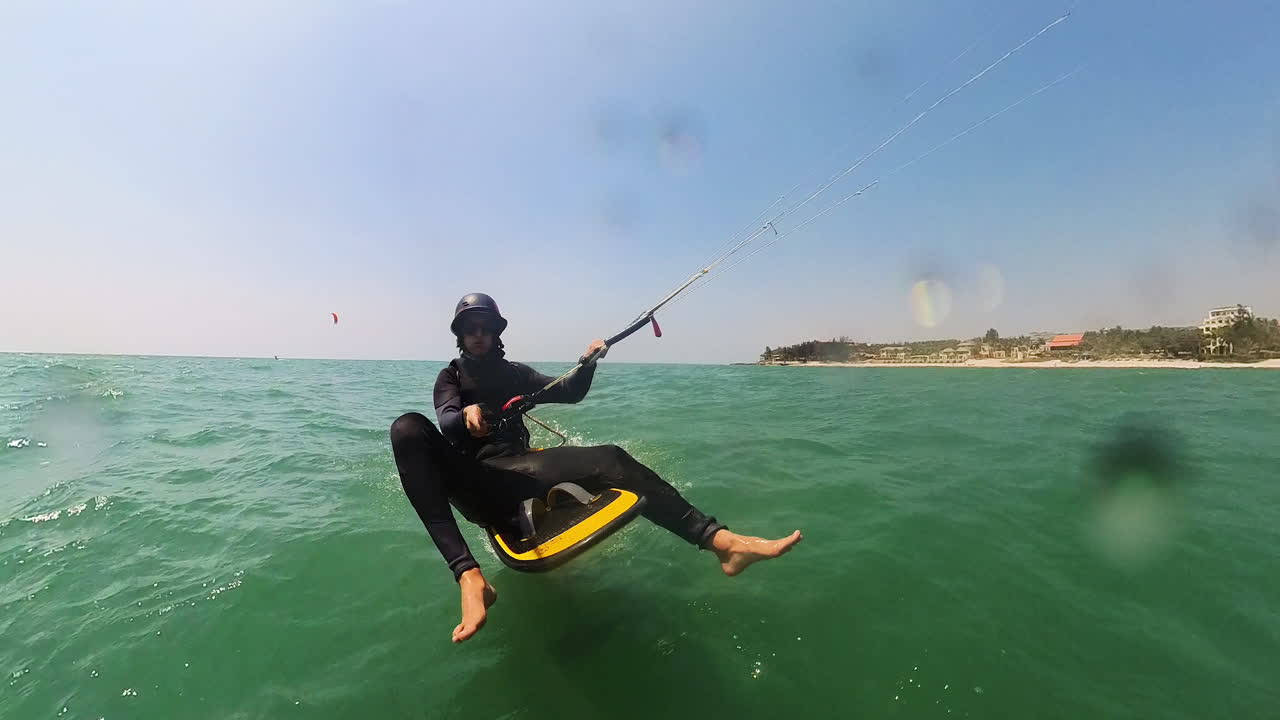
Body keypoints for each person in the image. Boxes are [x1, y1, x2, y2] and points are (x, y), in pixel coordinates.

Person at [390, 292, 802, 643]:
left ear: (496, 332)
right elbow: (444, 417)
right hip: (477, 482)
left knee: (612, 457)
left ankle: (720, 542)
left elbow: (568, 392)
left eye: (485, 326)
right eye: (470, 327)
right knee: (406, 429)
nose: (478, 334)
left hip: (520, 472)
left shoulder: (515, 374)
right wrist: (465, 416)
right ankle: (468, 576)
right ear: (460, 335)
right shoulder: (451, 376)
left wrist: (587, 362)